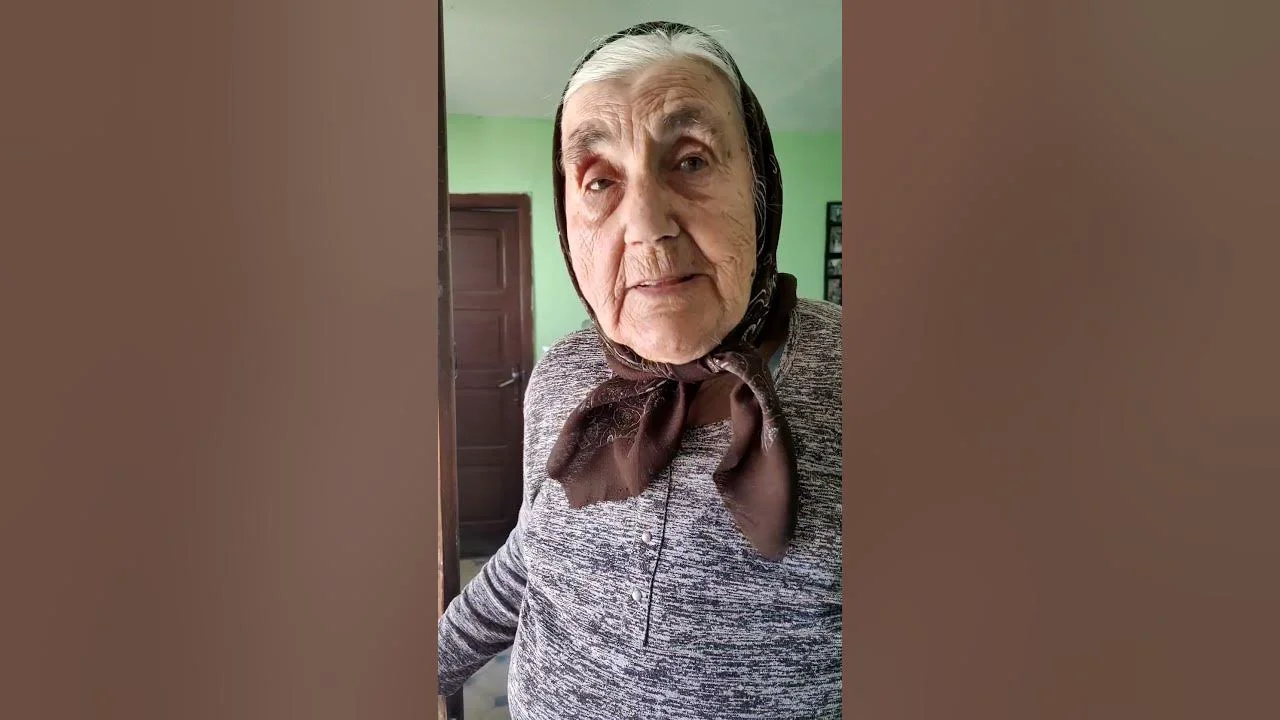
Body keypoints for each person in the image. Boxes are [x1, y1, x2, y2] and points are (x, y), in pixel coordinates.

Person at [438, 21, 842, 719]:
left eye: (691, 161)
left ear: (760, 189)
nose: (648, 223)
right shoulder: (559, 374)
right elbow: (531, 557)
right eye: (599, 180)